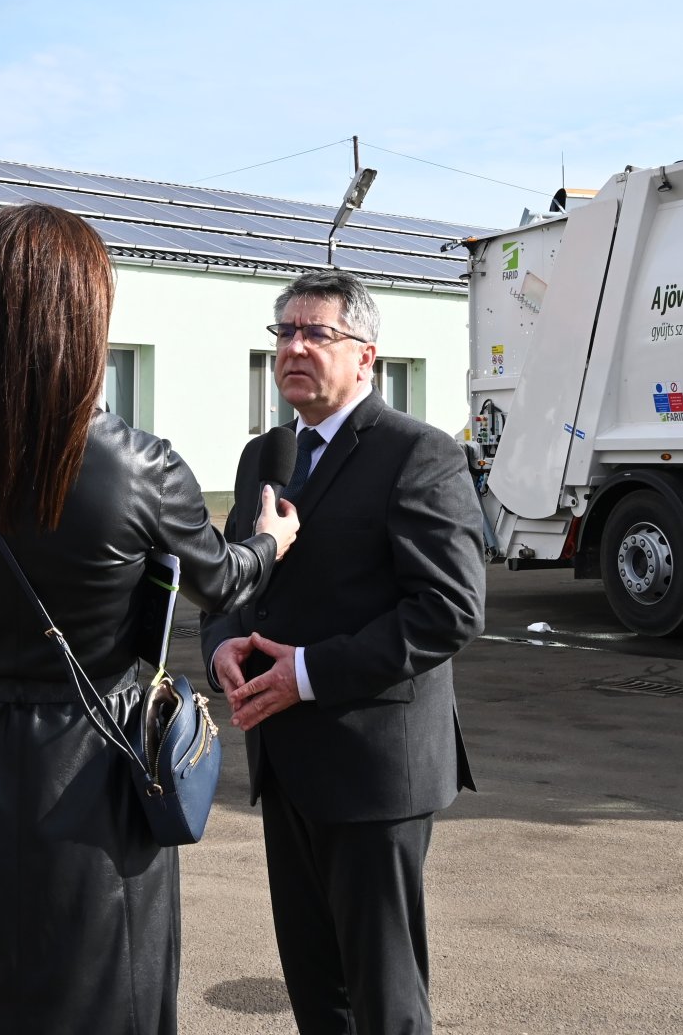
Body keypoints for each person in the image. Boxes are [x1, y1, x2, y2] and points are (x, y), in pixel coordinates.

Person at [0, 203, 300, 1035]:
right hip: (94, 767)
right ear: (86, 314)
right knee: (101, 995)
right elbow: (218, 583)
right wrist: (270, 541)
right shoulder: (141, 465)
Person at [202, 268, 485, 1035]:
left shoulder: (417, 454)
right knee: (316, 990)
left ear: (366, 357)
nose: (294, 347)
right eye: (283, 332)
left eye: (315, 333)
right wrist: (223, 644)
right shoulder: (263, 456)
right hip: (284, 760)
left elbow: (449, 609)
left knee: (384, 998)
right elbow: (233, 582)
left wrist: (307, 672)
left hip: (374, 768)